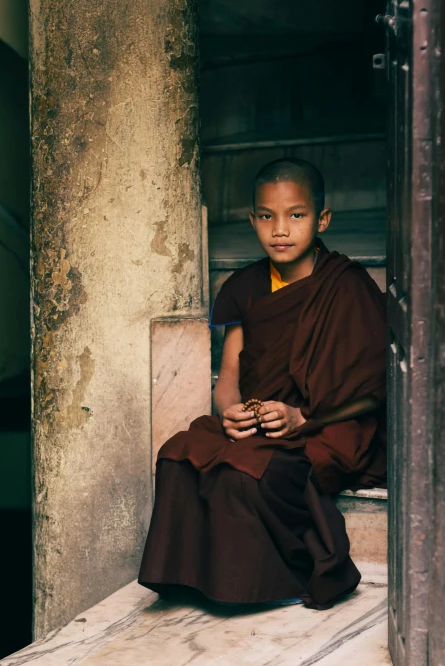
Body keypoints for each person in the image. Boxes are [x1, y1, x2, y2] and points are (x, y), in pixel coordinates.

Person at [138, 157, 386, 609]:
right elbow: (229, 378)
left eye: (296, 215)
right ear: (253, 220)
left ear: (322, 219)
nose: (281, 229)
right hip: (259, 419)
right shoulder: (244, 285)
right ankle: (190, 581)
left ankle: (269, 584)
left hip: (324, 426)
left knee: (244, 475)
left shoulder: (346, 287)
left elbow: (370, 387)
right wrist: (231, 413)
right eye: (267, 216)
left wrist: (301, 417)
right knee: (179, 454)